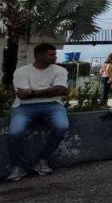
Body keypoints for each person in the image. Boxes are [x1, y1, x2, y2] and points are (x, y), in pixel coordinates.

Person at [5, 43, 71, 182]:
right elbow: (22, 96)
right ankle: (18, 167)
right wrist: (50, 90)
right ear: (39, 56)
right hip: (23, 107)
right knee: (15, 132)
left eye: (55, 54)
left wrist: (32, 92)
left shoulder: (60, 70)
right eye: (51, 54)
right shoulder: (21, 71)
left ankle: (42, 161)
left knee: (62, 126)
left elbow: (61, 91)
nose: (55, 57)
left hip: (53, 105)